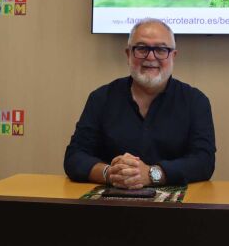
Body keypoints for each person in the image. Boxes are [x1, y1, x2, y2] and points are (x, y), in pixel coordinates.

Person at [64, 18, 215, 188]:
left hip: (176, 202)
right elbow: (74, 157)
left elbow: (204, 162)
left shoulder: (195, 101)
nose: (150, 57)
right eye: (142, 48)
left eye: (161, 49)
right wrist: (110, 173)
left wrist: (152, 174)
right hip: (110, 198)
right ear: (128, 54)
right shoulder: (101, 98)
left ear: (173, 56)